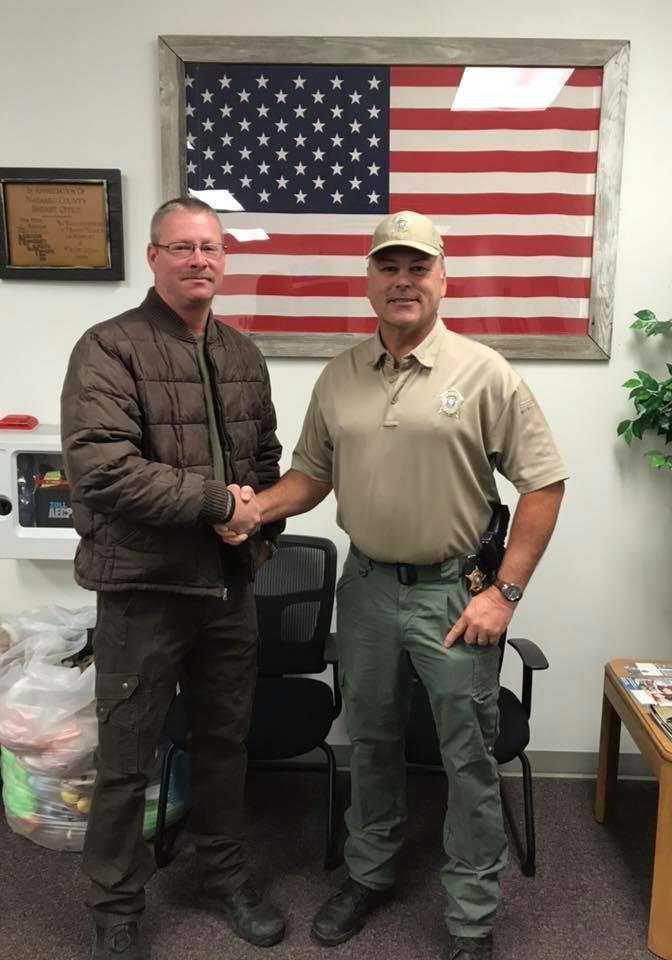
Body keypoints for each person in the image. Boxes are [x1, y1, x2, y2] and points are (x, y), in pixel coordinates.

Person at [219, 209, 567, 960]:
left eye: (418, 267)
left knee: (465, 754)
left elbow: (544, 484)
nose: (402, 280)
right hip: (369, 588)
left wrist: (501, 593)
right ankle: (370, 872)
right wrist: (250, 512)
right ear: (369, 280)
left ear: (444, 279)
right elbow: (310, 477)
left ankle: (471, 917)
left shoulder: (483, 373)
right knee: (370, 738)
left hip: (453, 595)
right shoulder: (341, 374)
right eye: (388, 266)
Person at [60, 197, 286, 960]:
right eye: (182, 247)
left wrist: (255, 516)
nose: (199, 261)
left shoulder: (243, 355)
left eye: (211, 248)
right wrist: (218, 502)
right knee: (126, 757)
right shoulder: (108, 348)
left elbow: (264, 463)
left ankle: (222, 873)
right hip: (145, 592)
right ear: (153, 258)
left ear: (225, 259)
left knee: (225, 743)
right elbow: (101, 469)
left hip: (229, 588)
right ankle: (115, 904)